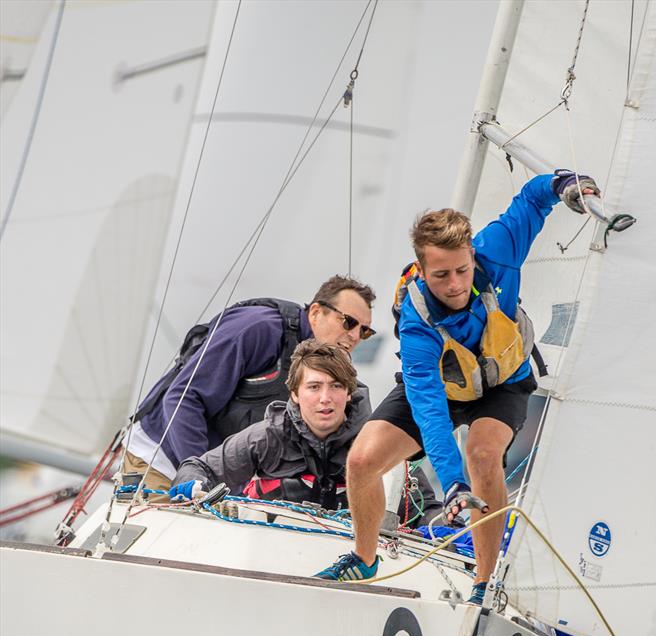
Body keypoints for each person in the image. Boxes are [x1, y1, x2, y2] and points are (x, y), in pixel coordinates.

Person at [316, 171, 599, 602]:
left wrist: (563, 185)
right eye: (441, 275)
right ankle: (365, 558)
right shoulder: (416, 325)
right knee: (361, 461)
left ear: (472, 254)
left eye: (462, 270)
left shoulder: (498, 248)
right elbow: (429, 411)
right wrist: (452, 485)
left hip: (502, 384)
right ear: (421, 270)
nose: (455, 285)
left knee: (483, 454)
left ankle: (484, 585)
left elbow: (531, 200)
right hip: (445, 392)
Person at [123, 275, 376, 491]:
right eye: (349, 322)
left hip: (218, 482)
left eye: (364, 331)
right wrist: (199, 475)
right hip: (160, 462)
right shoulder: (259, 329)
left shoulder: (320, 373)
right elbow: (182, 398)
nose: (355, 336)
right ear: (316, 313)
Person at [170, 339, 440, 523]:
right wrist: (193, 486)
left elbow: (427, 510)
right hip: (269, 552)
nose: (326, 398)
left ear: (349, 394)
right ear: (295, 394)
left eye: (336, 386)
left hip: (352, 565)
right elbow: (200, 467)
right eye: (314, 387)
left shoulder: (380, 443)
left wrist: (447, 527)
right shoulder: (266, 437)